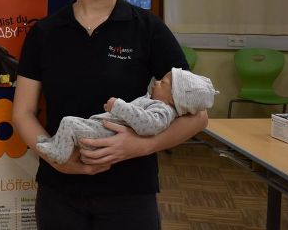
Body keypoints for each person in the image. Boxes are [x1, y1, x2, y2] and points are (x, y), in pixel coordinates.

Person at [11, 0, 207, 230]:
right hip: (59, 193)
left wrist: (140, 146)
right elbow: (22, 112)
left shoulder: (146, 29)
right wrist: (54, 157)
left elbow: (198, 117)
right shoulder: (46, 33)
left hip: (129, 194)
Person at [36, 67, 217, 164]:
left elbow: (148, 125)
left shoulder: (163, 111)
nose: (158, 82)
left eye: (164, 83)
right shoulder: (155, 102)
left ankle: (60, 154)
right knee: (74, 124)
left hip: (107, 135)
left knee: (69, 123)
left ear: (175, 99)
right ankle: (57, 145)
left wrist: (119, 106)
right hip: (103, 130)